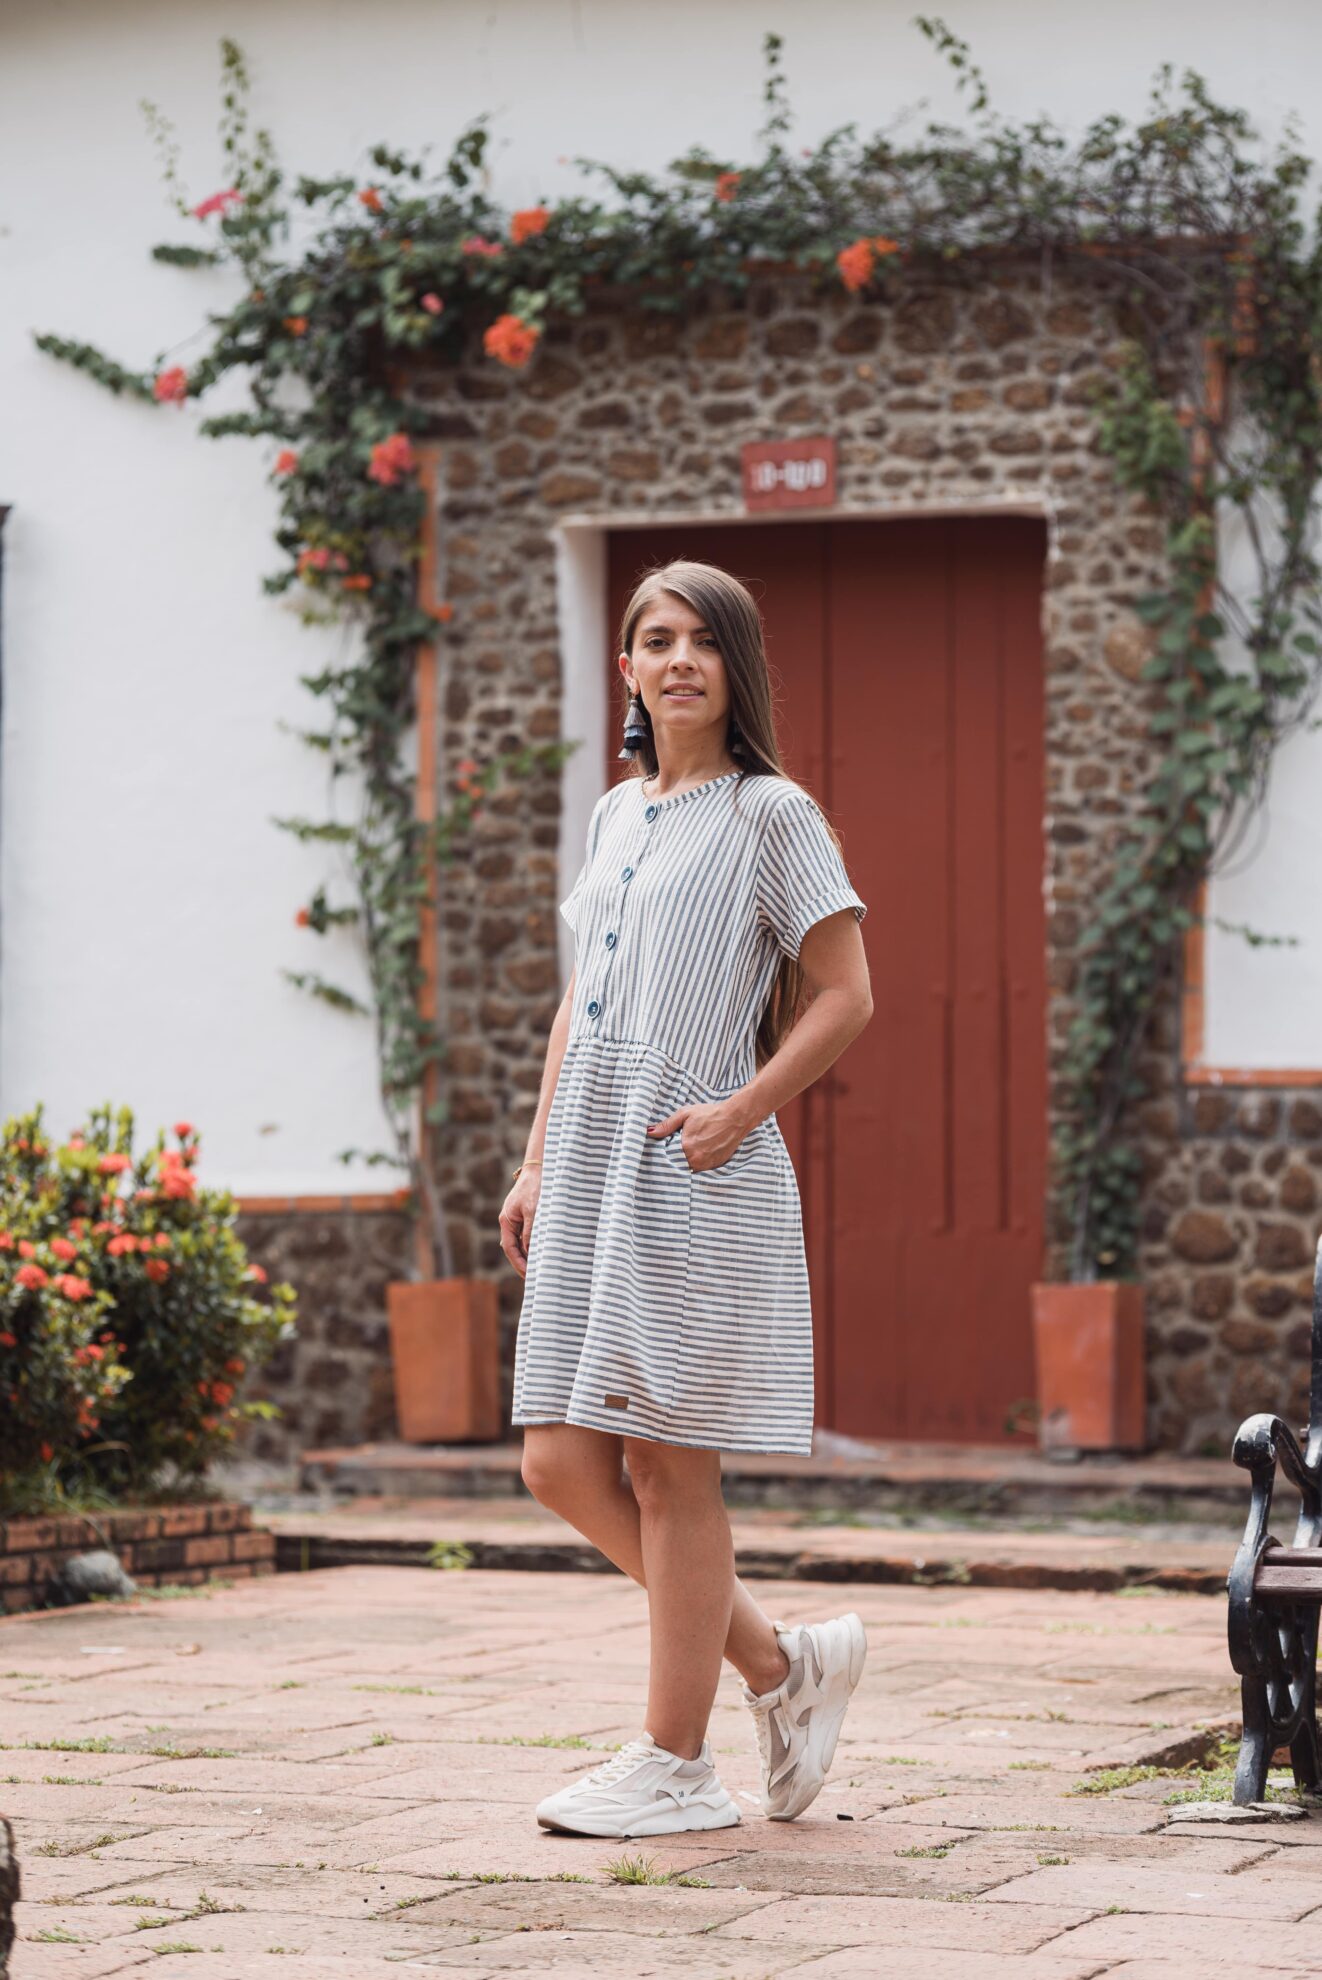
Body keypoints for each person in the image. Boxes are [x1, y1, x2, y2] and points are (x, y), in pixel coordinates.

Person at [499, 558, 873, 1840]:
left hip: (691, 1156)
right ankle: (780, 1665)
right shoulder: (614, 815)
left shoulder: (773, 814)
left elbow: (846, 994)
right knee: (558, 1462)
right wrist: (536, 1158)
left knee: (666, 1464)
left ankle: (674, 1763)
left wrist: (743, 1106)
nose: (677, 661)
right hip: (588, 1159)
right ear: (627, 668)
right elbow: (578, 1000)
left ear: (736, 668)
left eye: (703, 641)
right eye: (655, 640)